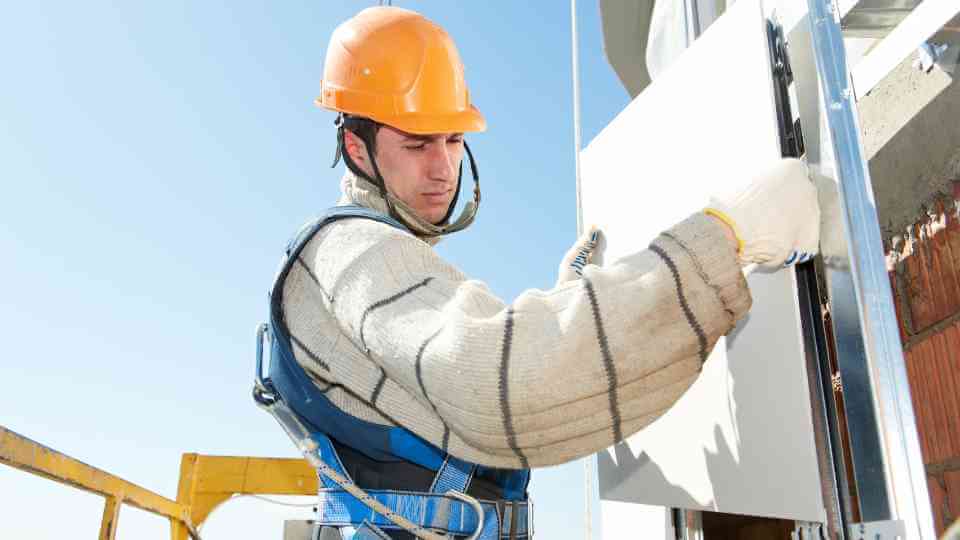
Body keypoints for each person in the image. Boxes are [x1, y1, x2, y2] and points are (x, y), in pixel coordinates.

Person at [269, 6, 820, 539]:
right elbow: (498, 385)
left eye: (453, 139)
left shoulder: (381, 258)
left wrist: (568, 298)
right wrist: (725, 240)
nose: (442, 168)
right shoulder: (355, 251)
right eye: (416, 143)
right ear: (355, 146)